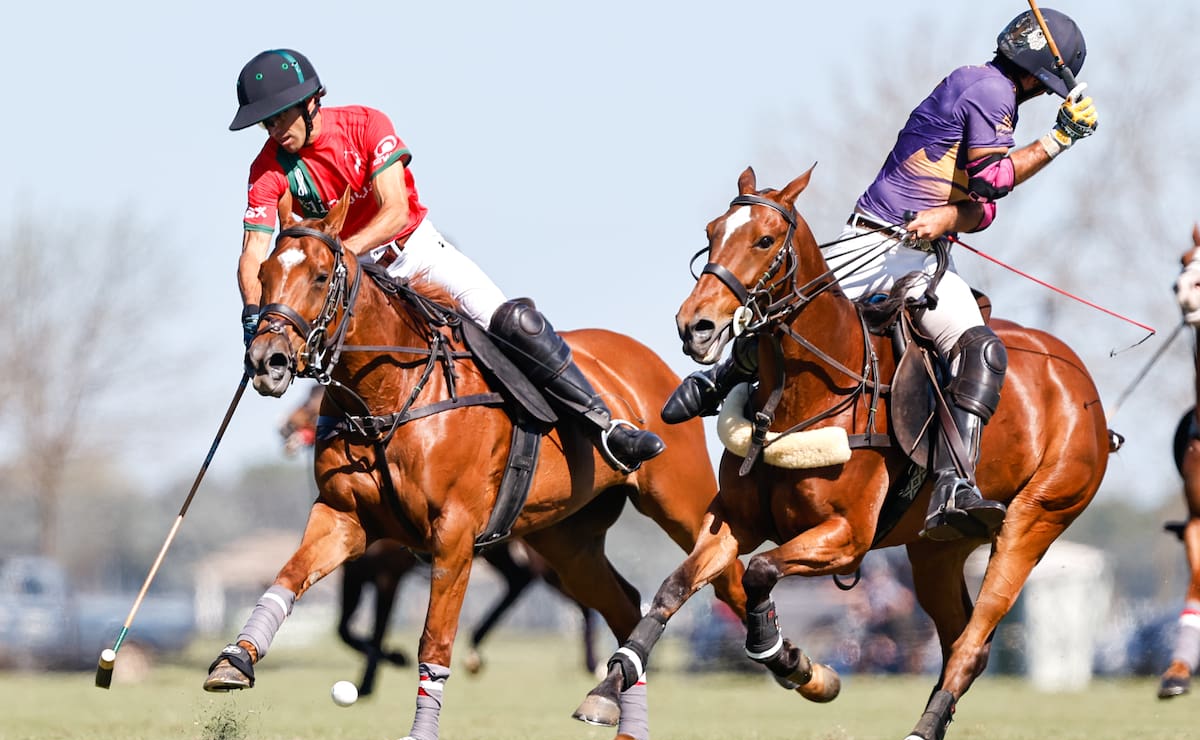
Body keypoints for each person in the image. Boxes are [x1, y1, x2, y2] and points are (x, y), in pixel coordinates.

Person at [663, 9, 1097, 540]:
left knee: (792, 320)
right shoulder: (992, 92)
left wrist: (946, 217)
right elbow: (994, 180)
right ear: (1037, 76)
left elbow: (979, 210)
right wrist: (1060, 139)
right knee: (983, 348)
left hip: (886, 243)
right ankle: (954, 483)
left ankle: (719, 378)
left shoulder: (977, 86)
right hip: (893, 255)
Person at [230, 49, 663, 471]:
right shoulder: (268, 167)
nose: (275, 129)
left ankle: (605, 425)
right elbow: (253, 254)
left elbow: (395, 210)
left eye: (282, 116)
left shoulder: (365, 124)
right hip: (356, 282)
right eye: (267, 122)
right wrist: (256, 314)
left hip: (415, 253)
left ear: (311, 103)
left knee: (510, 321)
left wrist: (343, 254)